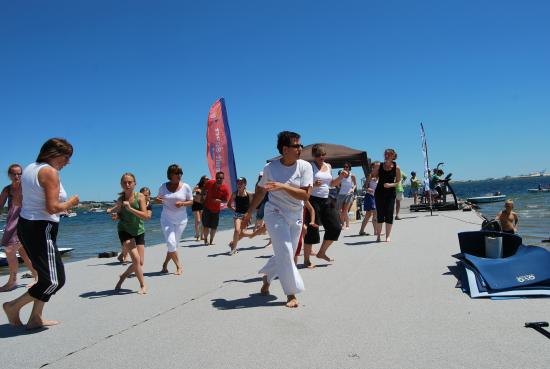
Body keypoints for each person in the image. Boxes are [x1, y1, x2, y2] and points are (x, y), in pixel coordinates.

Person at [3, 138, 79, 329]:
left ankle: (35, 317)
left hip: (28, 225)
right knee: (55, 280)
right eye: (66, 157)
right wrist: (71, 202)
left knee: (47, 277)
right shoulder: (49, 172)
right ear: (53, 154)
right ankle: (13, 306)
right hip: (40, 228)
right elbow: (53, 207)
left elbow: (18, 200)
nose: (68, 162)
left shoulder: (30, 168)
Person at [243, 131, 313, 308]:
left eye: (300, 145)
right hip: (274, 212)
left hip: (295, 214)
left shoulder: (305, 167)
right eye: (296, 145)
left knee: (286, 253)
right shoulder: (270, 168)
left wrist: (282, 185)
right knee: (286, 251)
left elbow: (305, 195)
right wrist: (249, 212)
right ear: (285, 149)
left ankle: (267, 276)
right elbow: (260, 191)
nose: (300, 148)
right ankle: (291, 293)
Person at [303, 144, 347, 267]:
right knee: (312, 230)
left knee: (336, 227)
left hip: (326, 200)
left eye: (323, 154)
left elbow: (332, 184)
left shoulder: (328, 166)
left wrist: (341, 177)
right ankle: (306, 260)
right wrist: (313, 184)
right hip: (312, 200)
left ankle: (321, 252)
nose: (321, 157)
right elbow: (302, 185)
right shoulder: (309, 167)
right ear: (313, 155)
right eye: (318, 155)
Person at [109, 173, 151, 294]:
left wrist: (130, 209)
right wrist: (115, 216)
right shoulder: (120, 200)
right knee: (136, 260)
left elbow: (146, 216)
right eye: (124, 182)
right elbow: (119, 215)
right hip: (124, 230)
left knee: (140, 262)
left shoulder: (140, 197)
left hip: (139, 231)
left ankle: (123, 276)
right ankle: (143, 285)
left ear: (134, 183)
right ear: (121, 184)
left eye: (130, 182)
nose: (127, 184)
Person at [0, 164, 37, 292]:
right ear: (9, 175)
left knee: (9, 250)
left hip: (24, 222)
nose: (17, 176)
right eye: (14, 173)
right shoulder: (7, 190)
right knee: (23, 252)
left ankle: (13, 281)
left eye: (19, 173)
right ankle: (37, 276)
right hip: (11, 222)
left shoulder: (26, 188)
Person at [157, 164, 193, 274]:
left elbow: (191, 201)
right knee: (171, 243)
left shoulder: (186, 186)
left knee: (173, 244)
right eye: (177, 173)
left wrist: (182, 203)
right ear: (170, 174)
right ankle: (178, 266)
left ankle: (165, 264)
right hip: (166, 219)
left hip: (181, 220)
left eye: (180, 173)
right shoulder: (163, 186)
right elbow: (158, 198)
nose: (179, 175)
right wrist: (158, 200)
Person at [369, 148, 401, 242]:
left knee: (389, 214)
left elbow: (398, 181)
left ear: (393, 156)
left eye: (388, 154)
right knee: (380, 214)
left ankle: (388, 236)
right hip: (379, 193)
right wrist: (374, 172)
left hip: (390, 193)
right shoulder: (379, 165)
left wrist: (390, 185)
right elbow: (373, 175)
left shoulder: (396, 167)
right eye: (385, 154)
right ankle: (378, 236)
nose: (386, 156)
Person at [201, 171, 229, 245]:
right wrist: (202, 197)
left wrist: (218, 200)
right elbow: (204, 189)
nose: (219, 179)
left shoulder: (225, 189)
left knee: (214, 227)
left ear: (223, 179)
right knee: (206, 225)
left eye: (221, 178)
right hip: (207, 207)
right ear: (215, 178)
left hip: (216, 210)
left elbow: (226, 200)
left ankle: (211, 241)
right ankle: (206, 240)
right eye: (217, 178)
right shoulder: (210, 182)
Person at [227, 177, 252, 254]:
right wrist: (235, 210)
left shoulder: (249, 194)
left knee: (242, 233)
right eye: (238, 183)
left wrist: (248, 214)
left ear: (245, 184)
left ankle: (232, 243)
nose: (239, 184)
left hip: (246, 216)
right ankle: (234, 249)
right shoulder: (234, 194)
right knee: (237, 230)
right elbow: (228, 205)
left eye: (241, 183)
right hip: (237, 215)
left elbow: (251, 206)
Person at [336, 162, 357, 229]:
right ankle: (342, 224)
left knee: (345, 210)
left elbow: (355, 184)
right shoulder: (341, 175)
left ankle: (347, 225)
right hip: (341, 194)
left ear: (349, 168)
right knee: (339, 210)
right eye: (344, 167)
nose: (345, 168)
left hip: (349, 194)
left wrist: (353, 189)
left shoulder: (352, 175)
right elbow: (337, 183)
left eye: (347, 167)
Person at [359, 163, 378, 236]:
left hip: (376, 197)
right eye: (375, 167)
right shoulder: (370, 176)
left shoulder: (379, 176)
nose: (376, 168)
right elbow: (365, 186)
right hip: (370, 196)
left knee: (368, 215)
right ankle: (376, 231)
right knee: (374, 214)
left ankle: (361, 231)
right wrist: (368, 189)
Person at [192, 175, 208, 241]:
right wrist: (196, 190)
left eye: (208, 179)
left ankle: (202, 236)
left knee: (203, 221)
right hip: (195, 204)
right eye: (206, 178)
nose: (207, 179)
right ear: (203, 179)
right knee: (198, 220)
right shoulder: (198, 186)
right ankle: (197, 234)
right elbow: (191, 192)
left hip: (202, 204)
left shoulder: (207, 187)